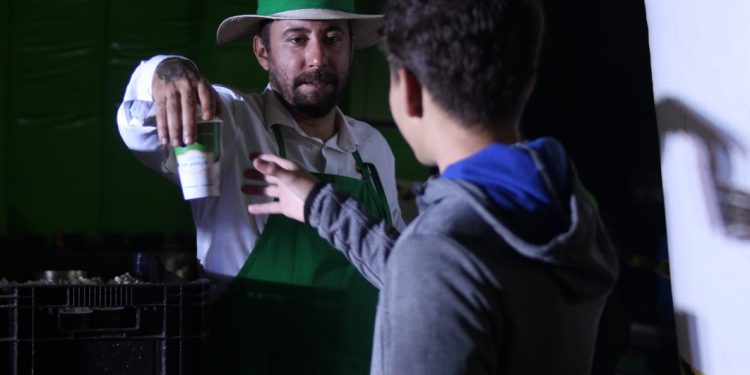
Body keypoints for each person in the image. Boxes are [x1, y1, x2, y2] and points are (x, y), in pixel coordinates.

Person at [245, 0, 620, 373]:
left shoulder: (437, 251)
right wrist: (320, 204)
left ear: (407, 89)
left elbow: (431, 269)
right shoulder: (572, 212)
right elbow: (429, 275)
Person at [116, 1, 405, 373]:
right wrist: (167, 70)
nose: (317, 58)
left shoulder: (373, 147)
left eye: (332, 38)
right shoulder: (229, 120)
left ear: (350, 48)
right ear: (263, 52)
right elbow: (137, 127)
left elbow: (396, 271)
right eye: (297, 39)